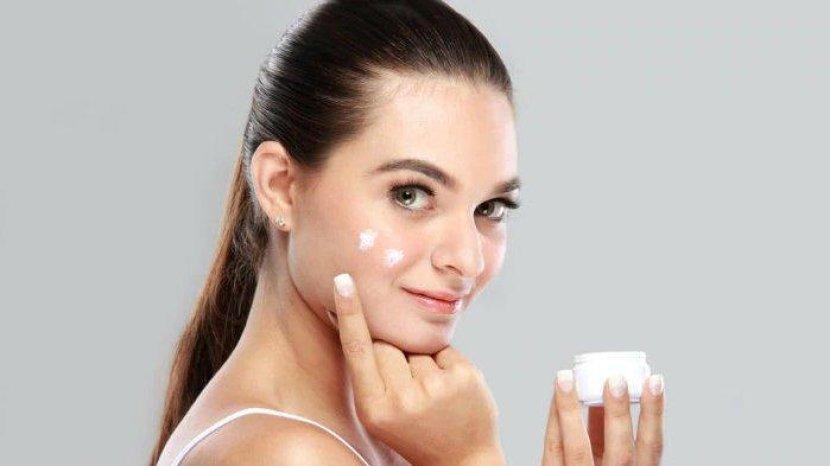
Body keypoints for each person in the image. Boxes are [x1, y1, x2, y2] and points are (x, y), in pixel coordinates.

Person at [150, 1, 665, 465]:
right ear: (281, 187)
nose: (467, 259)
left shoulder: (397, 433)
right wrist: (472, 459)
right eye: (411, 195)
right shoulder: (288, 455)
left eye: (490, 208)